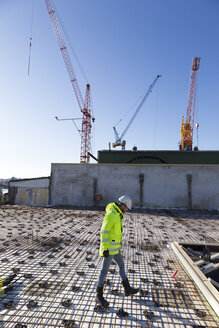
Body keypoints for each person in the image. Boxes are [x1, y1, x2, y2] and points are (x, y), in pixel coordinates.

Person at [96, 195, 139, 307]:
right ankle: (98, 295)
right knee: (104, 271)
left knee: (121, 266)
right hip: (109, 249)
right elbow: (104, 231)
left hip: (116, 249)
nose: (127, 210)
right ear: (123, 205)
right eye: (127, 208)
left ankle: (127, 288)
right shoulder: (112, 214)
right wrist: (105, 248)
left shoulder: (118, 214)